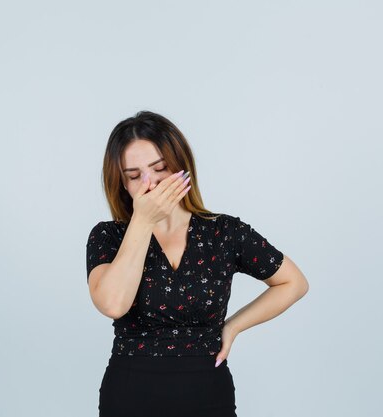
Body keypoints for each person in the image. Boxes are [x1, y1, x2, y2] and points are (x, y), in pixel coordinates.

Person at [85, 111, 309, 417]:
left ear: (181, 167)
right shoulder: (108, 236)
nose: (150, 184)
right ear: (123, 184)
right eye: (134, 176)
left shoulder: (224, 232)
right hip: (130, 394)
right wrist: (142, 221)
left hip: (208, 394)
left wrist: (233, 327)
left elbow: (294, 283)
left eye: (160, 168)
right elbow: (112, 304)